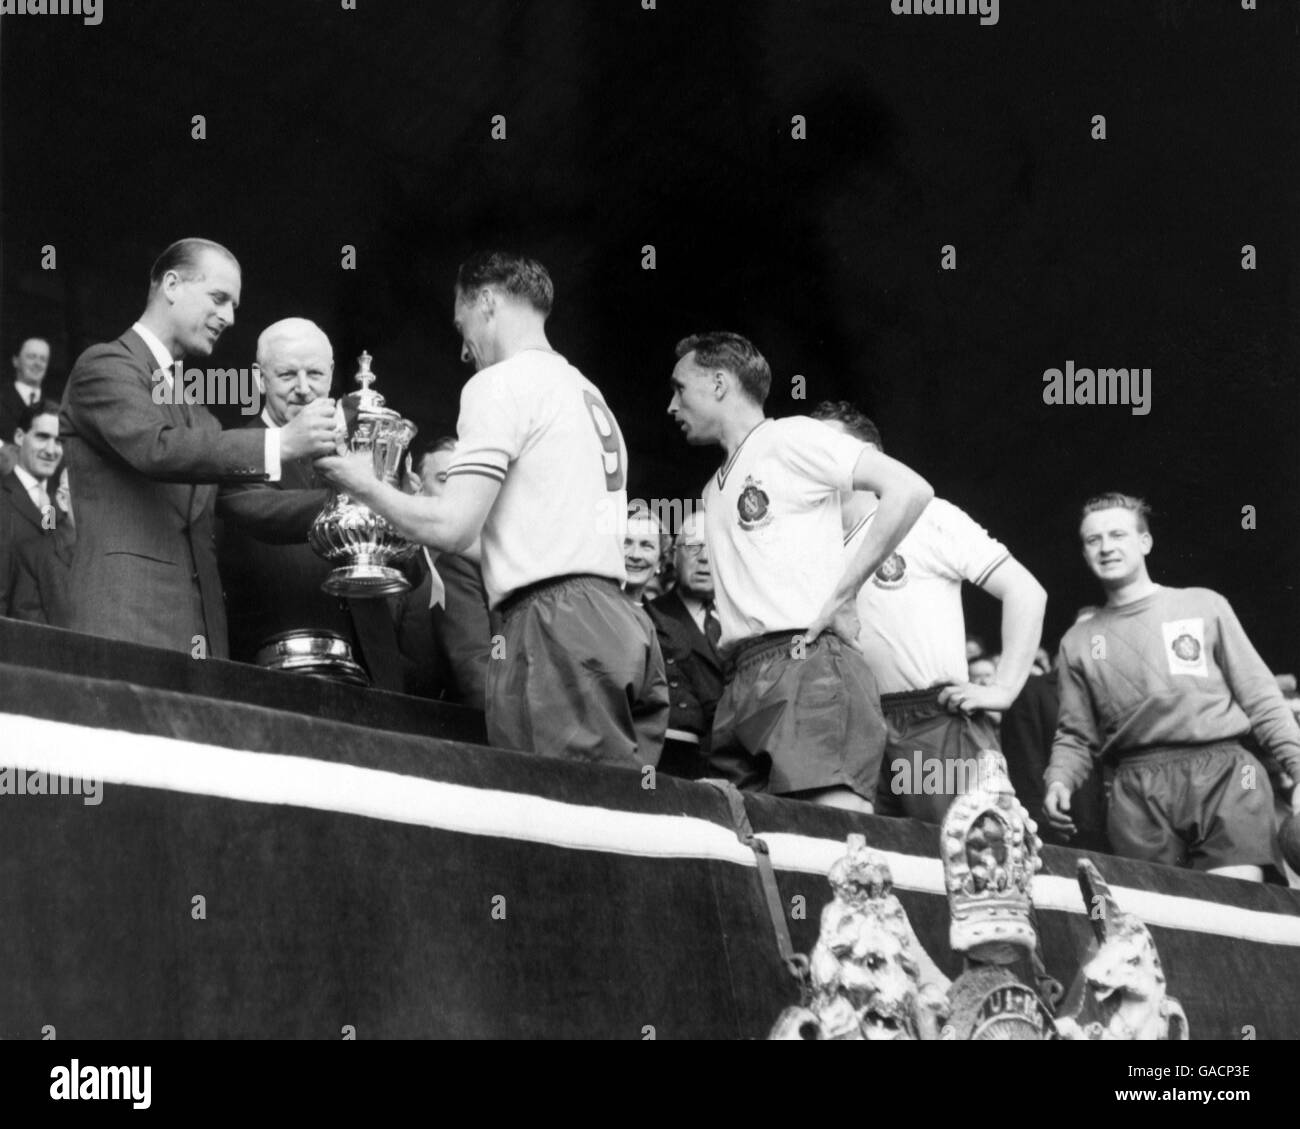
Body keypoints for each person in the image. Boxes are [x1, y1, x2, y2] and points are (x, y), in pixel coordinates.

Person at [317, 250, 667, 766]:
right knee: (618, 820)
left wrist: (363, 484)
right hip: (622, 625)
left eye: (463, 328)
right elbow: (526, 536)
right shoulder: (585, 390)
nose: (465, 350)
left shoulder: (499, 384)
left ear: (485, 302)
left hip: (556, 629)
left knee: (559, 818)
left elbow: (454, 527)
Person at [667, 332, 933, 812]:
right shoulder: (712, 490)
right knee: (754, 842)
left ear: (721, 383)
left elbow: (909, 490)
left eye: (680, 388)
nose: (672, 405)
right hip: (740, 678)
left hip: (806, 662)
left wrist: (845, 593)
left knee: (832, 833)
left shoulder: (792, 436)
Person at [58, 239, 338, 657]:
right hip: (121, 622)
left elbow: (253, 506)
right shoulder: (104, 366)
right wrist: (281, 442)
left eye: (234, 306)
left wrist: (357, 502)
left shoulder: (199, 415)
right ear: (171, 284)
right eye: (219, 298)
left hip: (201, 639)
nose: (228, 317)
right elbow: (158, 448)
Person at [1044, 493, 1300, 881]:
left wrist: (1299, 767)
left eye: (1117, 534)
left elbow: (1261, 698)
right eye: (1093, 540)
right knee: (1169, 924)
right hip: (1136, 792)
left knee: (1234, 909)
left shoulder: (1202, 605)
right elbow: (1076, 734)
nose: (1106, 547)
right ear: (1084, 552)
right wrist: (1059, 779)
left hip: (1226, 775)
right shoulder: (1077, 642)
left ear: (1144, 542)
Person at [811, 401, 1046, 822]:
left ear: (872, 459)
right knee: (880, 873)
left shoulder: (922, 516)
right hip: (858, 731)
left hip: (932, 721)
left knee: (972, 862)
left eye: (830, 446)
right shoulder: (816, 548)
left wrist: (1005, 688)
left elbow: (1025, 591)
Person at [215, 318, 403, 688]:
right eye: (287, 375)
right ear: (259, 379)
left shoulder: (365, 452)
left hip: (376, 676)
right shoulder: (236, 451)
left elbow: (409, 573)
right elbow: (271, 514)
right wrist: (368, 497)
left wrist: (403, 511)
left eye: (314, 373)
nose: (303, 389)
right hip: (279, 675)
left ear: (332, 374)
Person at [391, 436, 494, 705]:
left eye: (467, 482)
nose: (458, 493)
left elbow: (496, 655)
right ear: (418, 489)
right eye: (444, 479)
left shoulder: (491, 572)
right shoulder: (397, 568)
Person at [646, 509, 725, 780]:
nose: (704, 557)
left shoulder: (745, 620)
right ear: (672, 556)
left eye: (713, 548)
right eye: (693, 547)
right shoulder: (647, 618)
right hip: (681, 772)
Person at [0, 400, 72, 617]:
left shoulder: (58, 507)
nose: (51, 450)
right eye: (42, 437)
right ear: (20, 437)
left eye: (59, 441)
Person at [0, 337, 53, 469]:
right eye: (31, 357)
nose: (37, 363)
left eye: (43, 359)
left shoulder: (55, 408)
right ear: (16, 361)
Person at [622, 505, 666, 606]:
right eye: (626, 543)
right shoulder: (586, 609)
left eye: (647, 546)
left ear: (660, 561)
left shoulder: (664, 621)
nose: (635, 555)